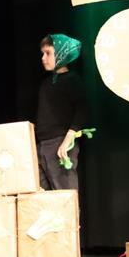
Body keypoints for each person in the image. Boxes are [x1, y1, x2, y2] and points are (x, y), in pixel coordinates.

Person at [36, 34, 89, 191]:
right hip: (42, 145)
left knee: (65, 195)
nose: (43, 58)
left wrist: (67, 141)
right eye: (43, 54)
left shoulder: (72, 80)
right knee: (43, 197)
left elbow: (82, 111)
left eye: (48, 53)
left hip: (60, 143)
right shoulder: (45, 84)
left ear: (61, 54)